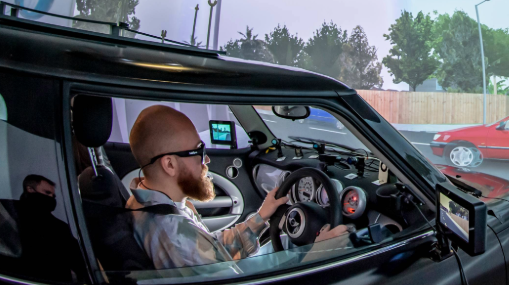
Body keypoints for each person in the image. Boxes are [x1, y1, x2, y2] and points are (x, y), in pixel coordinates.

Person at [126, 105, 347, 271]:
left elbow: (210, 250)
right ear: (170, 164)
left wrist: (260, 217)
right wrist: (319, 255)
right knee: (300, 250)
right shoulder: (174, 236)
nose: (207, 160)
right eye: (198, 152)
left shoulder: (148, 202)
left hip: (223, 274)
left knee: (288, 242)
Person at [0, 174, 85, 283]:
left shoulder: (59, 228)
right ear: (30, 189)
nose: (50, 198)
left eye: (53, 196)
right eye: (47, 193)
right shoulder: (7, 209)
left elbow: (78, 263)